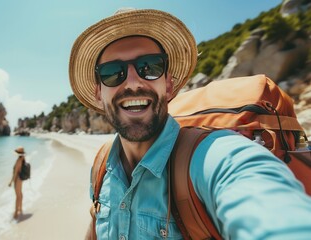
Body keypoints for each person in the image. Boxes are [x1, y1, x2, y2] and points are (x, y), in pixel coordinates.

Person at [68, 8, 311, 239]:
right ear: (99, 92)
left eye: (150, 67)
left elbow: (260, 194)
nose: (132, 82)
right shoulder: (101, 166)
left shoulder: (214, 158)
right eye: (112, 72)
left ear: (169, 85)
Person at [8, 146, 26, 219]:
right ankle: (20, 208)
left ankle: (16, 212)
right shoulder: (23, 158)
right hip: (20, 179)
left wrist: (11, 182)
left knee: (17, 196)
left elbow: (15, 173)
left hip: (18, 179)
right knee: (20, 194)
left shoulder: (19, 160)